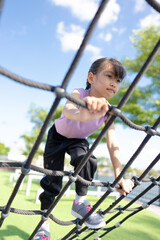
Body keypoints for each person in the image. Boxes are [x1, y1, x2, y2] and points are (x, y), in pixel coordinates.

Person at [34, 58, 134, 240]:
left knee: (88, 159)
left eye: (118, 81)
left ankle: (79, 202)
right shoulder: (79, 93)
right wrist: (85, 112)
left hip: (78, 140)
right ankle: (43, 226)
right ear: (91, 77)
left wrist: (119, 175)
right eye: (109, 76)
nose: (114, 83)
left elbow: (113, 143)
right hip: (57, 137)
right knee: (52, 183)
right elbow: (68, 111)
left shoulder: (109, 111)